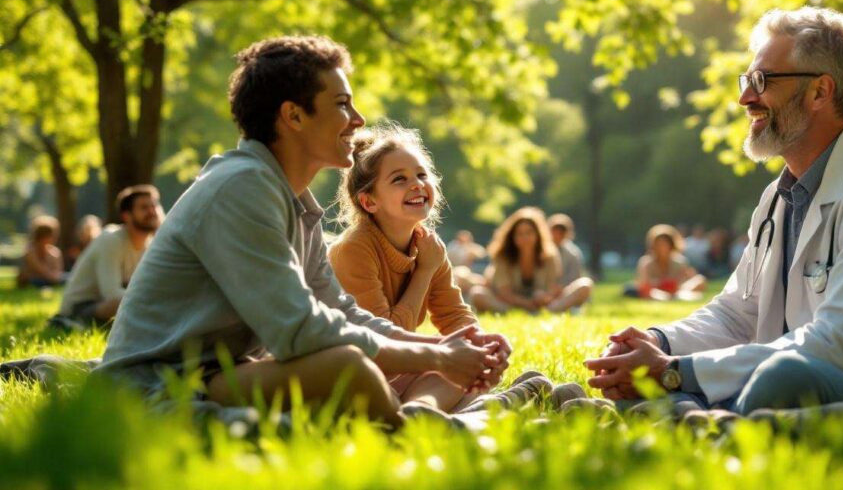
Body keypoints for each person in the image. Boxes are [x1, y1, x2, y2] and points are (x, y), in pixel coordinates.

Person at [585, 7, 843, 415]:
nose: (745, 98)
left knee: (782, 379)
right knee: (752, 378)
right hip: (814, 374)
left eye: (762, 81)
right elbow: (738, 315)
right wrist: (655, 342)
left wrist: (673, 372)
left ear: (820, 92)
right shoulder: (778, 197)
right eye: (748, 80)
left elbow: (841, 343)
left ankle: (695, 407)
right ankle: (706, 408)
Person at [99, 36, 501, 429]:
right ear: (293, 116)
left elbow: (340, 310)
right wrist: (437, 359)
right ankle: (440, 428)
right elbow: (298, 330)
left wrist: (442, 347)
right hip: (155, 387)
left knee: (354, 370)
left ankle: (428, 422)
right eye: (342, 105)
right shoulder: (241, 188)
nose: (358, 120)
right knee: (348, 369)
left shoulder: (293, 201)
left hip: (217, 375)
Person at [329, 123, 521, 413]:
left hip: (396, 371)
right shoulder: (354, 249)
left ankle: (431, 410)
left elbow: (454, 315)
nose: (417, 184)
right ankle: (429, 411)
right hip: (351, 371)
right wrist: (423, 272)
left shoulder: (429, 246)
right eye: (399, 179)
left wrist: (481, 348)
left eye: (421, 174)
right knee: (444, 366)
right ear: (369, 201)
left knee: (460, 367)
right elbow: (384, 340)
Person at [54, 186, 162, 326]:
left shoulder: (150, 245)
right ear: (126, 215)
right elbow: (111, 293)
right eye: (144, 207)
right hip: (80, 307)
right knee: (120, 303)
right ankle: (68, 322)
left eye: (154, 206)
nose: (152, 212)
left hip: (111, 305)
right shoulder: (111, 240)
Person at [470, 207, 591, 313]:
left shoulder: (550, 255)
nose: (525, 238)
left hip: (542, 305)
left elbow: (552, 288)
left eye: (529, 233)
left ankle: (547, 311)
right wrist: (526, 304)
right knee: (477, 294)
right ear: (512, 237)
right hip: (510, 304)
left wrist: (545, 297)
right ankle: (534, 312)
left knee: (585, 285)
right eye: (520, 234)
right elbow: (504, 293)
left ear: (538, 235)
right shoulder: (503, 257)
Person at [624, 224, 705, 301]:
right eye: (659, 244)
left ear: (672, 245)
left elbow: (684, 281)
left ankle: (675, 296)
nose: (662, 248)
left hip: (677, 291)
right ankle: (670, 297)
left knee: (700, 280)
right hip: (654, 291)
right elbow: (644, 283)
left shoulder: (680, 262)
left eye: (665, 244)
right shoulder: (646, 262)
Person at [547, 213, 594, 304]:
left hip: (564, 292)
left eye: (561, 232)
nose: (557, 235)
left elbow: (574, 278)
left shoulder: (573, 253)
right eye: (554, 231)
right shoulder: (541, 251)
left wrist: (560, 289)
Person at [16, 215, 64, 288]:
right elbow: (40, 270)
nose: (53, 238)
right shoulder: (30, 250)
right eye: (50, 235)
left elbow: (58, 271)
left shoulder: (55, 252)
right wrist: (53, 278)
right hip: (34, 279)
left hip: (49, 278)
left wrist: (55, 277)